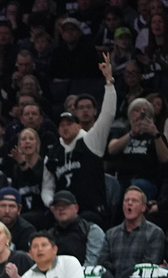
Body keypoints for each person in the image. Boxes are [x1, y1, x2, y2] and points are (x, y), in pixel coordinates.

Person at [42, 55, 116, 226]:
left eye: (70, 124)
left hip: (91, 211)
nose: (66, 128)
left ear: (78, 127)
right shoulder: (52, 154)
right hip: (62, 213)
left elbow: (108, 115)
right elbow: (47, 187)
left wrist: (109, 83)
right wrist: (51, 204)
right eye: (62, 125)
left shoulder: (91, 142)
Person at [97, 186, 166, 277]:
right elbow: (103, 263)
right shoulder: (110, 234)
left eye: (134, 201)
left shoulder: (154, 233)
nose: (129, 203)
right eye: (126, 200)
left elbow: (149, 266)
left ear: (143, 208)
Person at [45, 190, 106, 266]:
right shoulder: (48, 235)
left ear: (76, 208)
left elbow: (92, 263)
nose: (61, 209)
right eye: (57, 206)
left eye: (65, 205)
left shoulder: (91, 230)